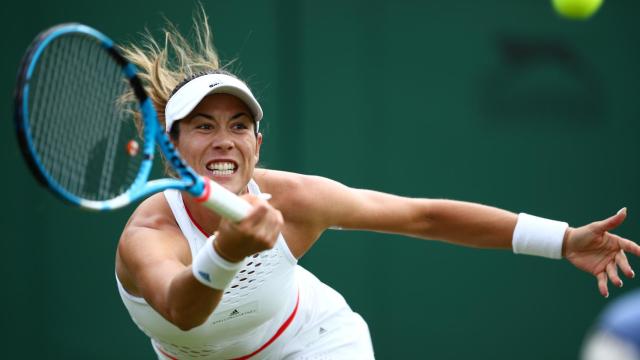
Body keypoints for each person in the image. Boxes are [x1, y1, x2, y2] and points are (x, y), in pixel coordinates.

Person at [115, 11, 640, 360]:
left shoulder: (296, 200)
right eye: (204, 126)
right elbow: (181, 311)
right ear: (170, 143)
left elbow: (423, 216)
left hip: (316, 343)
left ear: (258, 142)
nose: (224, 140)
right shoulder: (150, 234)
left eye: (238, 126)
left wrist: (563, 239)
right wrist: (228, 249)